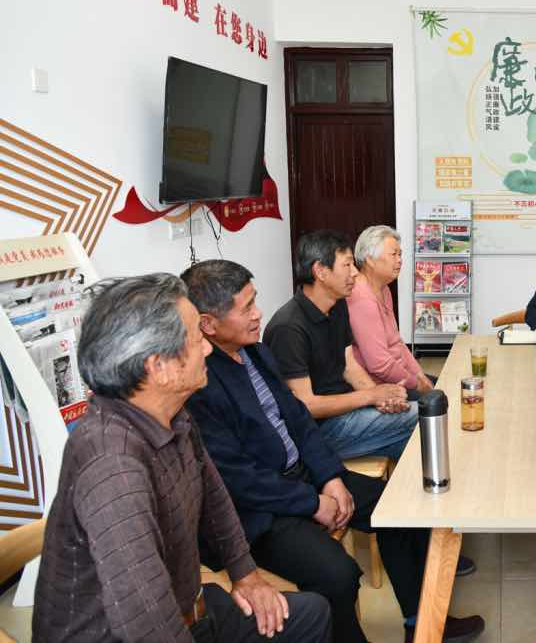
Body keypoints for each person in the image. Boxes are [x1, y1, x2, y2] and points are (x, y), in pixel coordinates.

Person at [181, 260, 483, 643]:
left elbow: (300, 421)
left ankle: (421, 624)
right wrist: (312, 502)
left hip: (303, 478)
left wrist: (331, 478)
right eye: (246, 308)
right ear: (208, 324)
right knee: (338, 576)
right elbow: (238, 479)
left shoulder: (255, 353)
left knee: (405, 513)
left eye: (255, 301)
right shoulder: (199, 383)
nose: (258, 314)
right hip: (260, 511)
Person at [33, 274, 331, 643]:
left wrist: (245, 573)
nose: (207, 349)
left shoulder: (172, 414)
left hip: (186, 607)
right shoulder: (112, 466)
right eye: (195, 339)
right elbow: (144, 620)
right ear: (158, 366)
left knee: (311, 615)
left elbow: (214, 498)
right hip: (129, 634)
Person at [264, 230, 416, 460]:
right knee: (426, 412)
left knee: (414, 443)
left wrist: (383, 399)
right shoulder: (288, 328)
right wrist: (370, 397)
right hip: (318, 431)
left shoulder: (337, 305)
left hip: (347, 410)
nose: (355, 272)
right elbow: (306, 405)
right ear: (320, 271)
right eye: (347, 265)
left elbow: (349, 367)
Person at [347, 225, 436, 394]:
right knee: (441, 398)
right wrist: (416, 384)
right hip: (380, 386)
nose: (400, 260)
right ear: (370, 259)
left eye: (400, 254)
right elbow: (380, 365)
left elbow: (397, 343)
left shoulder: (384, 289)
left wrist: (419, 374)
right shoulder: (361, 297)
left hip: (399, 375)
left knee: (446, 385)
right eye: (393, 254)